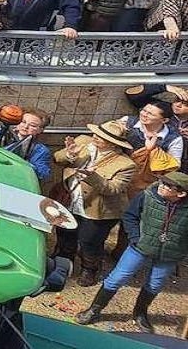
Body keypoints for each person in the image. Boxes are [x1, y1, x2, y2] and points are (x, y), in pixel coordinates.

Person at [77, 171, 188, 333]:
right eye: (162, 182)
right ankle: (94, 309)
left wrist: (181, 249)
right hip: (140, 248)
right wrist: (136, 238)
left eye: (167, 186)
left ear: (181, 193)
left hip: (169, 254)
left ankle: (140, 313)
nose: (161, 186)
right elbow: (130, 216)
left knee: (155, 284)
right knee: (117, 277)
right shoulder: (147, 196)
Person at [55, 119, 141, 285]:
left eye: (101, 137)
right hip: (70, 199)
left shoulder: (125, 164)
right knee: (65, 233)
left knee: (90, 241)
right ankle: (63, 262)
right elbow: (58, 159)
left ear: (113, 144)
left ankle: (90, 268)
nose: (95, 137)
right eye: (96, 133)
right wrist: (69, 154)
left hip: (99, 210)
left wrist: (93, 177)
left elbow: (113, 189)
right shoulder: (82, 142)